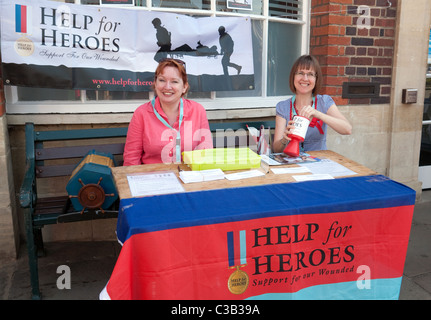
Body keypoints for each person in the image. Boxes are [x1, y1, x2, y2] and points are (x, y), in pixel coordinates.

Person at [123, 58, 213, 165]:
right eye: (162, 80)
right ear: (155, 84)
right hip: (153, 178)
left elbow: (206, 152)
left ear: (184, 87)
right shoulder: (141, 113)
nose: (167, 87)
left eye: (174, 81)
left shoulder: (198, 111)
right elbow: (131, 158)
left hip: (189, 178)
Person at [273, 55, 352, 154]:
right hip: (291, 163)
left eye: (310, 74)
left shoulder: (324, 102)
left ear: (316, 79)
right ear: (293, 77)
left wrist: (317, 114)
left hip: (318, 163)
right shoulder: (283, 107)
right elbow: (276, 149)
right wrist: (284, 140)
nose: (305, 78)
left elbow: (347, 129)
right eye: (300, 73)